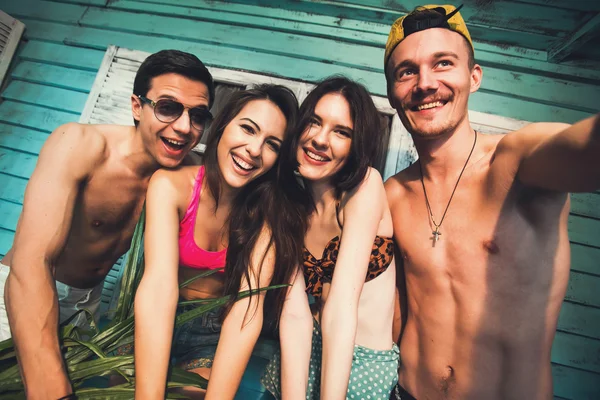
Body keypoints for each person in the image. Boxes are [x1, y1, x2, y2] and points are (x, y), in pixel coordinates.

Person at [383, 5, 600, 399]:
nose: (425, 83)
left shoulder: (516, 163)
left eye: (443, 63)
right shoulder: (392, 195)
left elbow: (586, 149)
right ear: (392, 92)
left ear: (474, 76)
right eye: (407, 71)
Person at [0, 49, 215, 398]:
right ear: (136, 106)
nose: (184, 126)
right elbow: (32, 261)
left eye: (198, 115)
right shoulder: (81, 144)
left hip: (86, 310)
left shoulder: (186, 178)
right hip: (24, 290)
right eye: (167, 107)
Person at [134, 84, 304, 400]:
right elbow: (158, 288)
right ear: (223, 126)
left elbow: (246, 310)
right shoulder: (171, 186)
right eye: (248, 129)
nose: (254, 149)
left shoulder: (269, 215)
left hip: (208, 331)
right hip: (154, 314)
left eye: (272, 144)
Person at [262, 76, 399, 400]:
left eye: (341, 132)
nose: (320, 139)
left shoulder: (364, 186)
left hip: (362, 363)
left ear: (357, 144)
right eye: (314, 122)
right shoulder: (291, 203)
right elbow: (294, 313)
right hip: (302, 351)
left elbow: (340, 304)